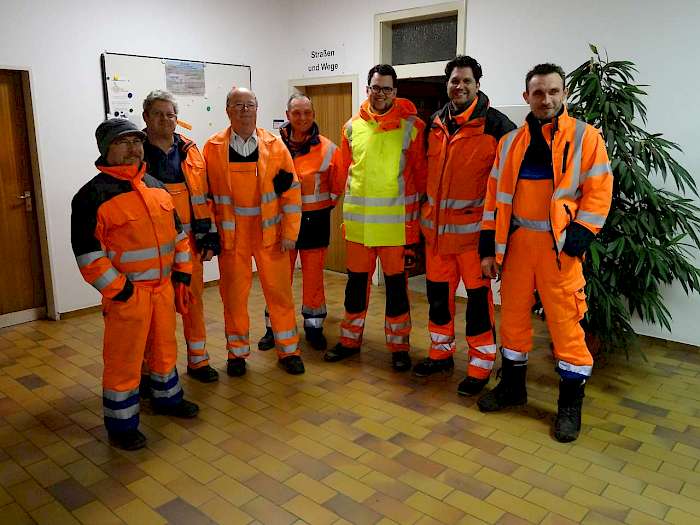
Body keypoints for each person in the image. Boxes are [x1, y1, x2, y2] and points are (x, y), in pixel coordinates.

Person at [478, 63, 613, 442]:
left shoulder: (586, 137)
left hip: (560, 250)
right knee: (512, 320)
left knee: (567, 325)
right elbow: (494, 199)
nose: (546, 99)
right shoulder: (509, 143)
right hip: (517, 247)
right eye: (538, 92)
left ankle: (569, 406)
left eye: (553, 91)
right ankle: (512, 388)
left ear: (564, 93)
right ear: (527, 97)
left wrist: (580, 235)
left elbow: (600, 190)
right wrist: (488, 247)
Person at [71, 118, 200, 451]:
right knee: (124, 360)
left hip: (163, 290)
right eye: (123, 142)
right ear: (106, 149)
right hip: (129, 295)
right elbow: (89, 255)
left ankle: (167, 398)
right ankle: (122, 424)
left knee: (164, 349)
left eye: (137, 141)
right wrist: (121, 291)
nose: (133, 148)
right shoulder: (90, 196)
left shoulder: (156, 186)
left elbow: (178, 236)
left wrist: (182, 273)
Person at [414, 56, 516, 395]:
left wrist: (496, 239)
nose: (460, 86)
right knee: (438, 300)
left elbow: (508, 187)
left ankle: (480, 364)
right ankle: (440, 353)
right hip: (436, 239)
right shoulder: (434, 123)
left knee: (477, 305)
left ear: (478, 84)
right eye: (455, 80)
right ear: (447, 84)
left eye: (467, 81)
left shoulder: (498, 127)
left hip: (474, 240)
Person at [324, 64, 426, 372]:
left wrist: (414, 230)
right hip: (359, 229)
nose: (380, 93)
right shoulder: (351, 127)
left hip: (395, 229)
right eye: (375, 87)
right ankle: (349, 340)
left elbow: (420, 180)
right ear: (368, 88)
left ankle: (399, 347)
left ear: (395, 91)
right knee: (355, 288)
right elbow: (345, 173)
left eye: (386, 88)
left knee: (396, 292)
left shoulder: (412, 127)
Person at [203, 87, 304, 376]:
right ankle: (236, 354)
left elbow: (291, 192)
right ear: (227, 110)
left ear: (257, 109)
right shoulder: (212, 147)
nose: (244, 110)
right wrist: (210, 234)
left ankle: (289, 351)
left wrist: (290, 233)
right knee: (233, 297)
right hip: (232, 237)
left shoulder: (275, 146)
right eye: (238, 105)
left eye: (249, 105)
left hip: (269, 235)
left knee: (280, 295)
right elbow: (205, 196)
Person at [142, 90, 220, 383]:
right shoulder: (135, 151)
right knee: (154, 312)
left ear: (177, 118)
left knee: (193, 302)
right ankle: (151, 371)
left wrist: (209, 236)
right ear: (146, 117)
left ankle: (198, 362)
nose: (165, 119)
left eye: (170, 114)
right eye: (158, 114)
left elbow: (205, 196)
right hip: (152, 248)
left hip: (189, 245)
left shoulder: (190, 150)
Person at [257, 93, 341, 352]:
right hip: (281, 222)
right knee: (278, 279)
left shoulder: (328, 148)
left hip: (315, 222)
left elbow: (337, 186)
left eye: (307, 113)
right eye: (296, 113)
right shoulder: (271, 146)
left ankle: (314, 327)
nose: (302, 118)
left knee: (314, 279)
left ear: (313, 114)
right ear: (287, 115)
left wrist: (320, 208)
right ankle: (274, 328)